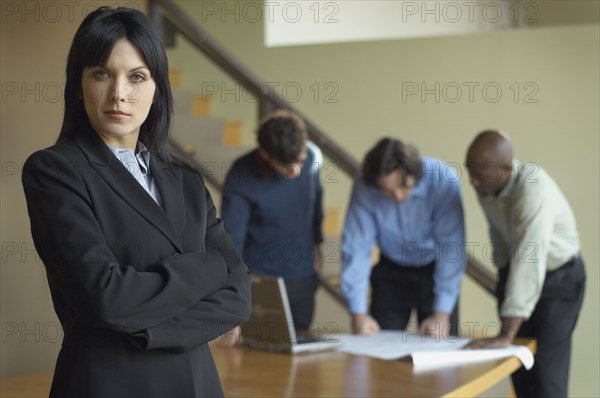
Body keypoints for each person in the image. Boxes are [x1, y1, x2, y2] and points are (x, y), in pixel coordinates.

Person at [21, 7, 251, 397]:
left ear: (157, 87)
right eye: (102, 73)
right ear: (79, 84)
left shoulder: (186, 179)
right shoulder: (55, 171)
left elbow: (239, 296)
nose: (119, 94)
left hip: (197, 383)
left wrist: (148, 328)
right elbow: (107, 300)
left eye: (137, 77)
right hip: (110, 383)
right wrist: (209, 268)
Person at [465, 130, 585, 398]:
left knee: (546, 375)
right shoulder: (485, 182)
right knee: (519, 368)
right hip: (518, 271)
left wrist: (506, 333)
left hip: (559, 279)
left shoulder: (533, 192)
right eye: (469, 171)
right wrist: (503, 287)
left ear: (506, 169)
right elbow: (499, 237)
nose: (472, 181)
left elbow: (529, 261)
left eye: (480, 174)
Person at [341, 137, 466, 337]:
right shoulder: (364, 185)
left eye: (404, 186)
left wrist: (442, 314)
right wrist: (358, 313)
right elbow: (357, 248)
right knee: (379, 352)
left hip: (434, 272)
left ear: (416, 175)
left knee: (440, 351)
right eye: (388, 191)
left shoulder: (443, 180)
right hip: (390, 272)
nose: (398, 197)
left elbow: (451, 248)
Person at [221, 110, 324, 345]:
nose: (296, 171)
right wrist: (232, 302)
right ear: (265, 154)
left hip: (302, 274)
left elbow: (316, 207)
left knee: (300, 352)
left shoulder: (311, 157)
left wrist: (318, 247)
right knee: (258, 354)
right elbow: (231, 240)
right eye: (287, 167)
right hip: (260, 281)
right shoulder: (243, 172)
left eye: (299, 160)